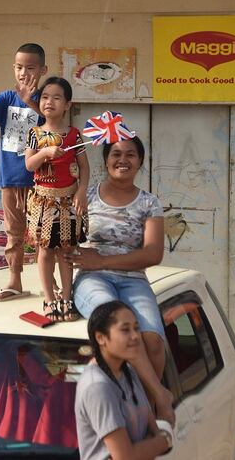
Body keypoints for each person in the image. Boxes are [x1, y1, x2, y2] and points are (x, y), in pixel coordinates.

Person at [64, 135, 175, 424]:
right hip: (92, 279)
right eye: (115, 154)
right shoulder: (85, 195)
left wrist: (102, 259)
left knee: (152, 341)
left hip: (133, 280)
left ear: (140, 161)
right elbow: (62, 236)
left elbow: (153, 254)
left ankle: (148, 412)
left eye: (130, 155)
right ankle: (161, 396)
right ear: (105, 160)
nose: (122, 160)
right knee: (118, 327)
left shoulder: (150, 203)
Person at [0, 43, 47, 301]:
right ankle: (14, 279)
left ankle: (48, 283)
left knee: (44, 232)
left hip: (42, 180)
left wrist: (31, 102)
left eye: (30, 67)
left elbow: (54, 125)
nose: (23, 72)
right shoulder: (6, 98)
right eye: (18, 67)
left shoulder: (47, 97)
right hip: (11, 178)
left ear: (43, 69)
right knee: (14, 233)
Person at [24, 77, 89, 322]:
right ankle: (49, 298)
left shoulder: (74, 135)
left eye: (56, 97)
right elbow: (30, 164)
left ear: (67, 105)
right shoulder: (35, 134)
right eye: (45, 97)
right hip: (43, 202)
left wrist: (82, 191)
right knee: (45, 251)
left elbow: (85, 168)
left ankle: (67, 297)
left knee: (67, 251)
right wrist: (45, 152)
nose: (49, 102)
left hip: (69, 201)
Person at [75, 301, 172, 460]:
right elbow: (125, 457)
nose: (135, 336)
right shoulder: (98, 387)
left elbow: (152, 428)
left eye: (136, 328)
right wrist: (164, 441)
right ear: (101, 337)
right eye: (125, 330)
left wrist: (155, 441)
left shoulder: (128, 371)